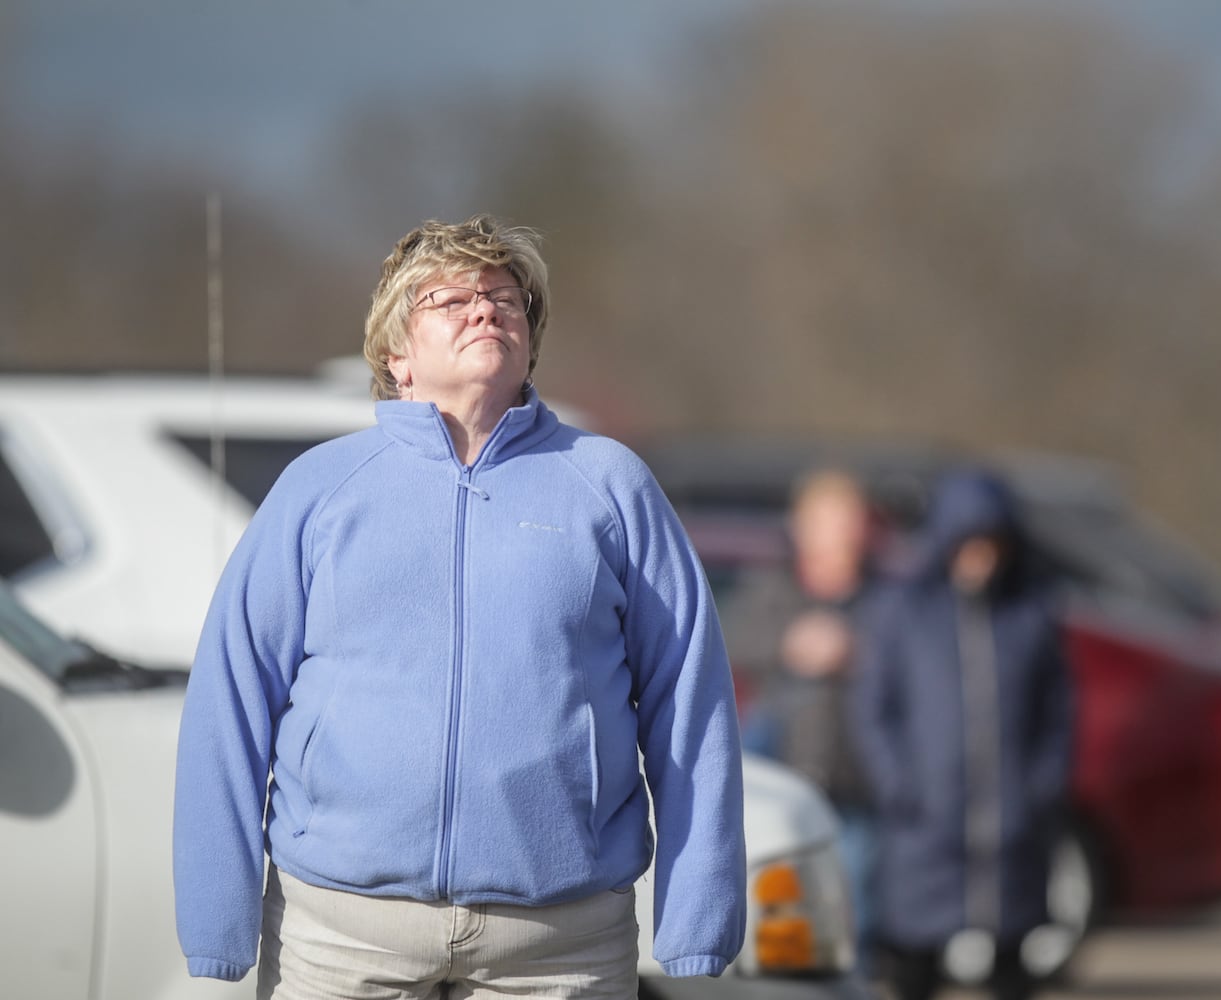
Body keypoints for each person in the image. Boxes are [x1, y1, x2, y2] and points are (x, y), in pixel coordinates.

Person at [172, 215, 746, 1000]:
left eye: (505, 297)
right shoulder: (320, 489)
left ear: (530, 341)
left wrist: (699, 918)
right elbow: (230, 700)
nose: (486, 309)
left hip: (561, 948)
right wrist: (216, 920)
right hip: (341, 937)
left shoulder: (610, 486)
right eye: (453, 299)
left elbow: (691, 703)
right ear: (395, 355)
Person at [850, 466, 1073, 1000]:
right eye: (971, 544)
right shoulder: (902, 613)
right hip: (925, 828)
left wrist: (1041, 788)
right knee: (912, 967)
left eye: (993, 544)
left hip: (1009, 829)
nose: (983, 558)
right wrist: (899, 786)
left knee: (1013, 968)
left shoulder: (1030, 614)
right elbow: (873, 710)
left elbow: (1058, 711)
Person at [732, 468, 881, 966]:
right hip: (783, 788)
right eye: (828, 521)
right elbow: (734, 642)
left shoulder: (881, 600)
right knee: (781, 922)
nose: (841, 535)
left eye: (849, 522)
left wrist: (857, 652)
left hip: (854, 786)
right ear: (802, 527)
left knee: (853, 911)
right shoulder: (772, 590)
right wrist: (791, 645)